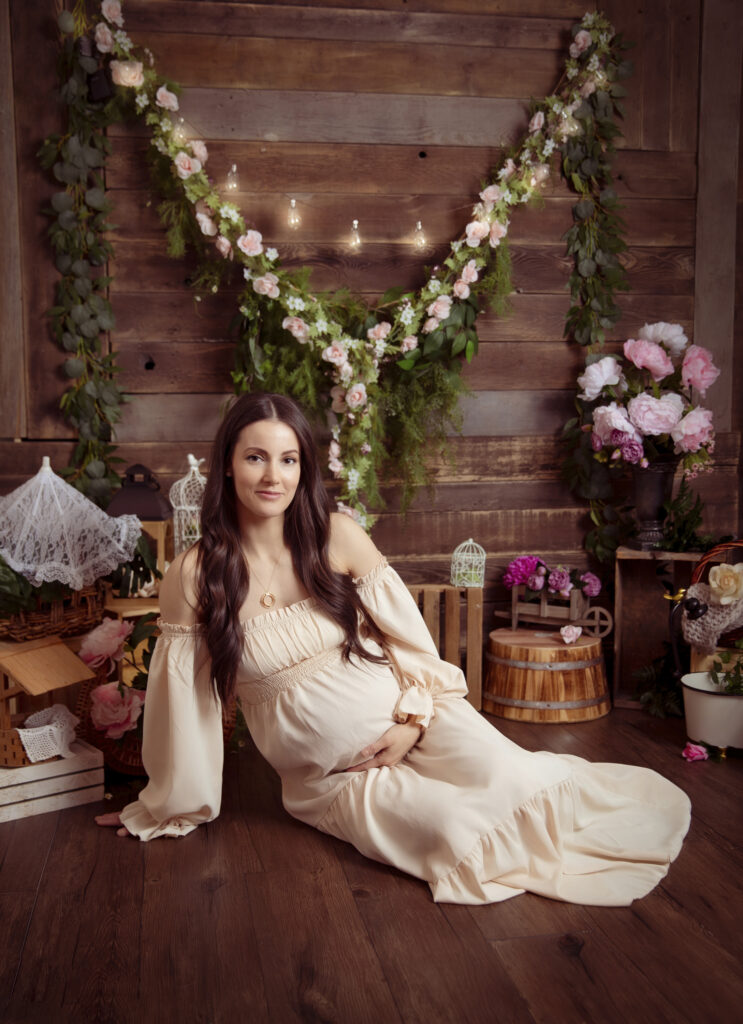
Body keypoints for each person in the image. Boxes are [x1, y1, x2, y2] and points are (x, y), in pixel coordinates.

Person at [97, 391, 691, 906]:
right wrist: (171, 803)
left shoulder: (336, 536)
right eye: (255, 457)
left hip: (417, 719)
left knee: (519, 781)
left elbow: (410, 644)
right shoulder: (196, 572)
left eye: (288, 459)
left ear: (304, 469)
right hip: (337, 775)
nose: (272, 476)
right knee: (455, 833)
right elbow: (187, 703)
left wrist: (414, 718)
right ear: (227, 464)